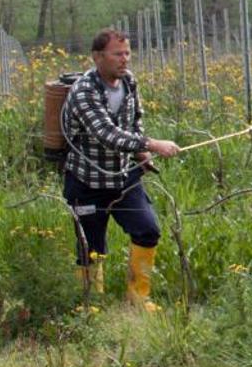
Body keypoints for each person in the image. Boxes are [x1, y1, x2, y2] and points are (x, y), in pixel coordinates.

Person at [61, 29, 178, 309]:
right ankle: (91, 304)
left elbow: (134, 121)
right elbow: (106, 134)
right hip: (86, 182)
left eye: (127, 53)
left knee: (148, 230)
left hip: (124, 178)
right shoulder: (83, 91)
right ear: (97, 57)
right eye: (117, 54)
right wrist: (153, 143)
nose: (124, 60)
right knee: (91, 246)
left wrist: (142, 153)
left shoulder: (129, 82)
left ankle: (138, 298)